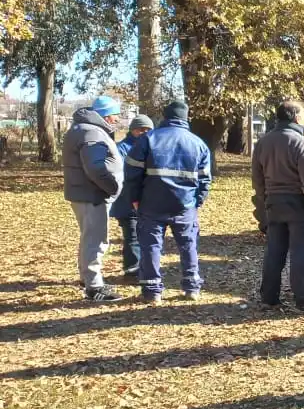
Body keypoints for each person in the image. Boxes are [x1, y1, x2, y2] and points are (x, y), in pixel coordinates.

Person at [125, 100, 212, 303]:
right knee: (188, 245)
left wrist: (135, 199)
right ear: (185, 117)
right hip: (185, 205)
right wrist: (196, 201)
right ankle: (191, 288)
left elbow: (132, 173)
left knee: (151, 246)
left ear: (165, 117)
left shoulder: (147, 139)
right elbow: (205, 179)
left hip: (151, 203)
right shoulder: (198, 143)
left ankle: (152, 291)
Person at [252, 99, 304, 312]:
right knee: (301, 255)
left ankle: (269, 298)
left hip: (274, 205)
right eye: (303, 115)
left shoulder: (263, 143)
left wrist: (265, 199)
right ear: (296, 117)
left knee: (274, 253)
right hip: (300, 205)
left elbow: (257, 179)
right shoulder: (301, 143)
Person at [62, 94, 125, 302]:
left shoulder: (84, 129)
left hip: (85, 193)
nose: (117, 119)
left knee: (89, 237)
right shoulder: (92, 133)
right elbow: (96, 168)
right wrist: (112, 187)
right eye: (115, 115)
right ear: (106, 116)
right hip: (93, 194)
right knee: (96, 240)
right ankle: (94, 287)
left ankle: (87, 278)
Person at [110, 115, 154, 279]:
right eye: (140, 129)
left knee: (145, 235)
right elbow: (122, 175)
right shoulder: (121, 148)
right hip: (127, 199)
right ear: (132, 130)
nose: (144, 132)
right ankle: (132, 271)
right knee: (132, 236)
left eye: (148, 129)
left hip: (147, 200)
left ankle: (143, 267)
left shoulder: (152, 146)